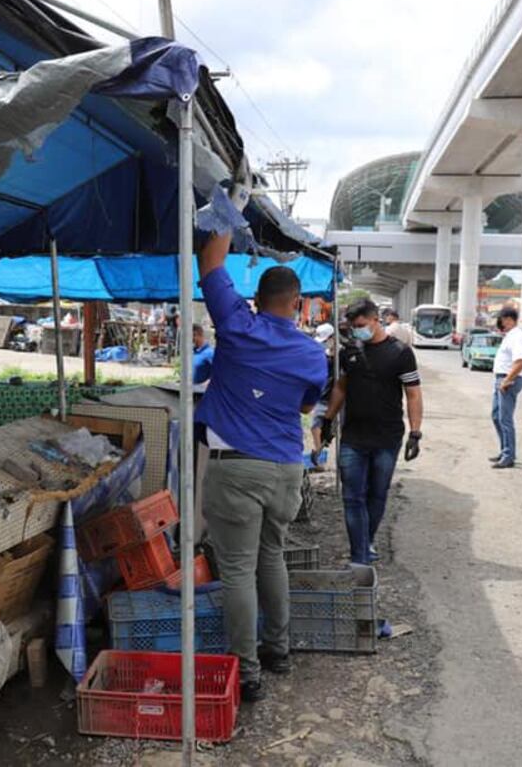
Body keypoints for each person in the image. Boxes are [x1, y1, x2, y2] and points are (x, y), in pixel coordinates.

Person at [196, 209, 328, 702]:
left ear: (256, 300)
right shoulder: (314, 354)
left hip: (238, 470)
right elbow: (305, 405)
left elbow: (211, 264)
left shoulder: (238, 326)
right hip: (287, 470)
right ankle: (279, 651)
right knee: (272, 557)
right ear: (297, 304)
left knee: (236, 570)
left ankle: (247, 671)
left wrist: (228, 205)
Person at [322, 298, 423, 565]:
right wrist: (327, 420)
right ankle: (359, 556)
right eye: (353, 327)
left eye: (361, 325)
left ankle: (366, 541)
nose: (356, 331)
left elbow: (413, 394)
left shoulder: (400, 352)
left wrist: (415, 433)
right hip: (353, 437)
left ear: (376, 319)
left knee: (376, 495)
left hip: (387, 438)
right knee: (352, 496)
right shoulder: (350, 352)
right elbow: (341, 388)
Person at [490, 307, 522, 469]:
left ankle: (508, 455)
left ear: (508, 319)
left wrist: (507, 380)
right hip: (502, 379)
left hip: (509, 380)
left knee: (505, 419)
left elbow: (520, 361)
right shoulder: (510, 336)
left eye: (501, 320)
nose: (501, 324)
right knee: (496, 416)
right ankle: (504, 450)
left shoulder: (518, 337)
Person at [307, 323, 336, 467]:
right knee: (315, 426)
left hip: (339, 400)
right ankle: (318, 457)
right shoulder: (321, 356)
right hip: (323, 397)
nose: (325, 344)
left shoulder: (344, 356)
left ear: (333, 338)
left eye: (326, 341)